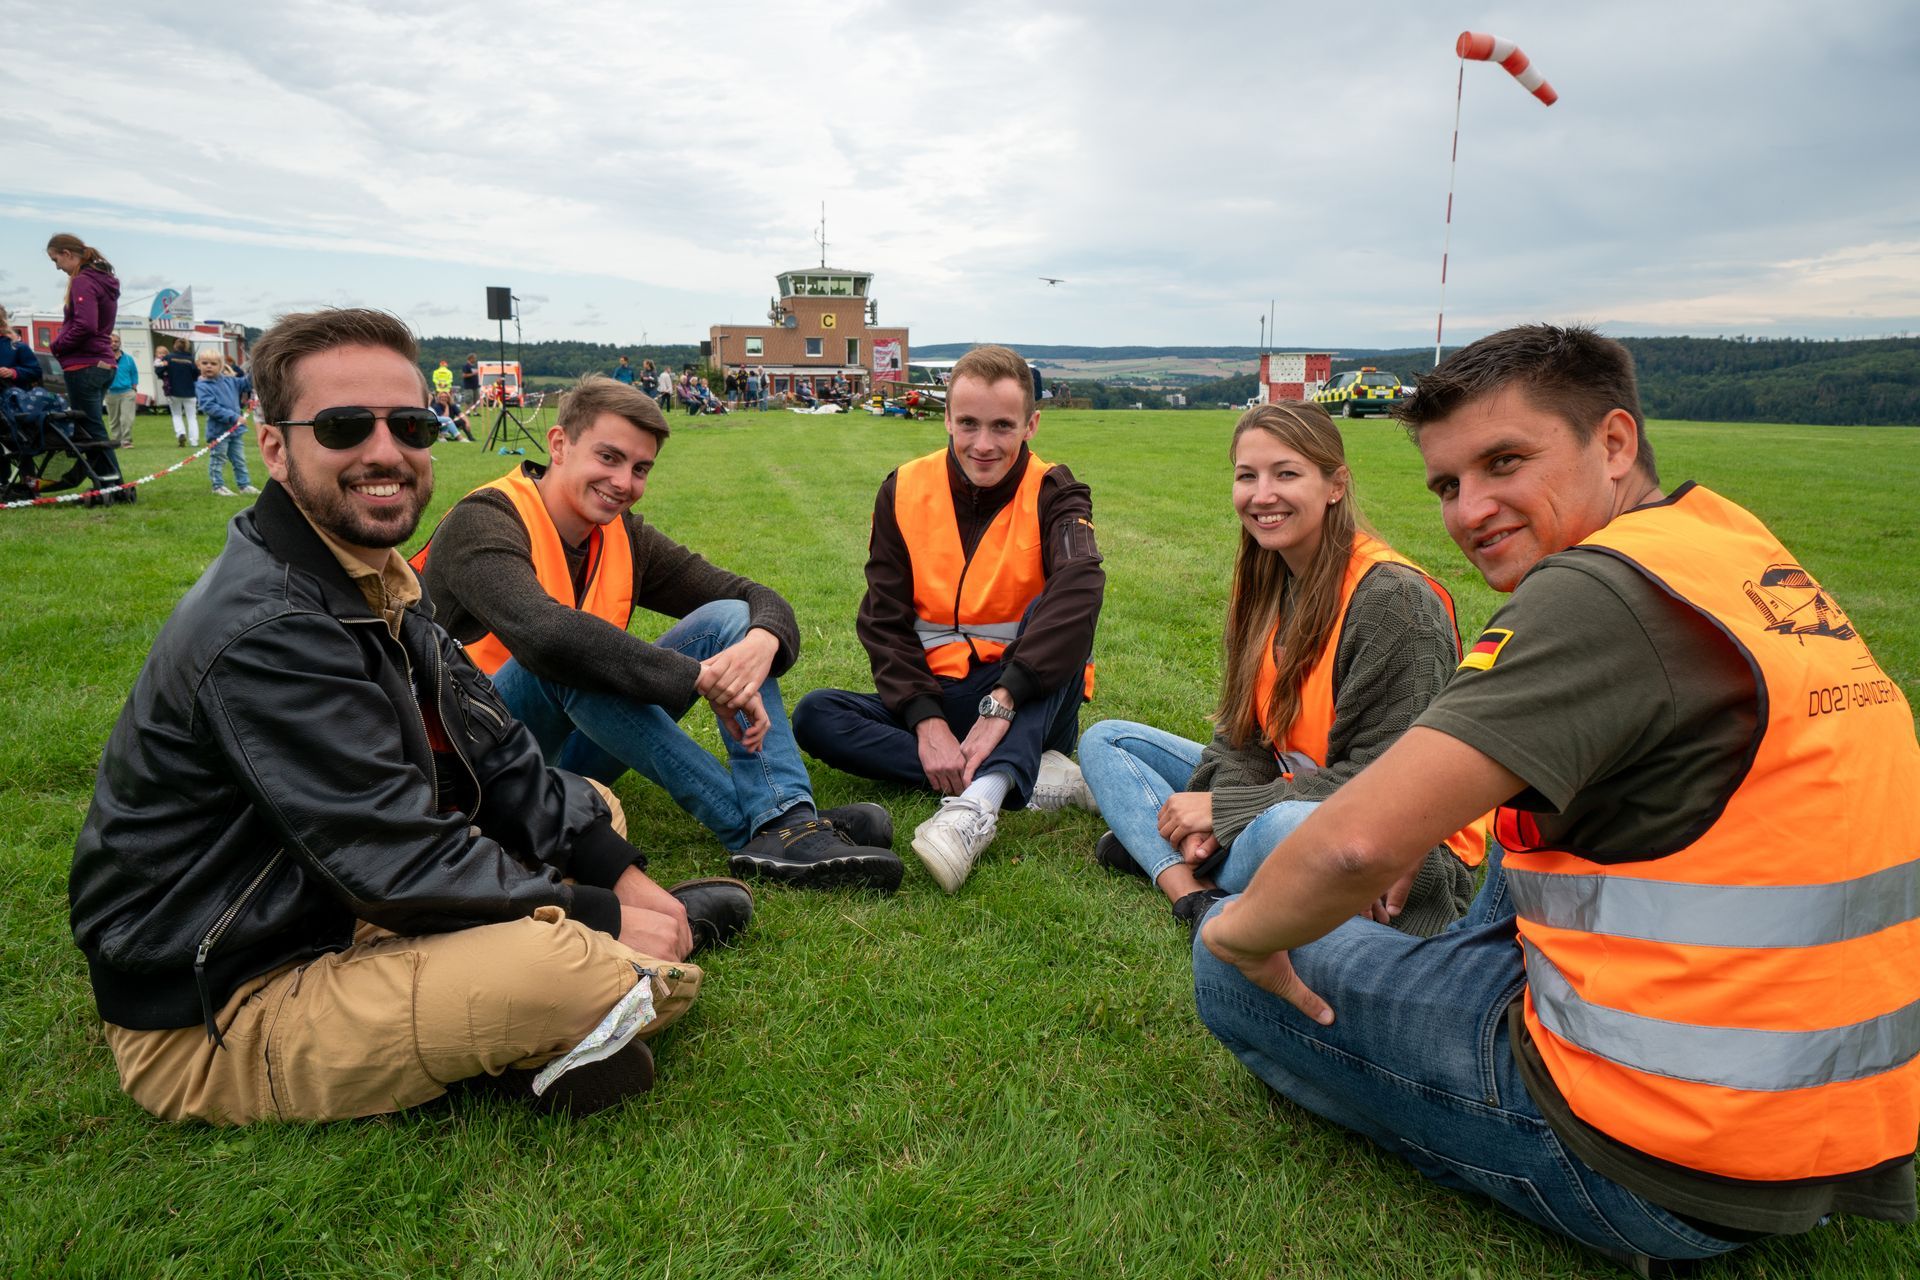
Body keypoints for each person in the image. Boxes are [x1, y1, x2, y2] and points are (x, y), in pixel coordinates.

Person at [1193, 324, 1920, 1269]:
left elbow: (1349, 848)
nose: (1471, 510)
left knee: (1225, 970)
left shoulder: (1591, 595)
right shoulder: (1726, 548)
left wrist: (1238, 934)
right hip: (1843, 1124)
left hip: (1664, 1158)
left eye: (1505, 462)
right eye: (1449, 484)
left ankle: (1465, 1130)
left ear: (1614, 443)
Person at [69, 307, 749, 1125]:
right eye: (345, 426)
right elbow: (391, 858)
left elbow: (494, 747)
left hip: (322, 902)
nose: (386, 451)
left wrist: (621, 872)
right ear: (276, 446)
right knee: (573, 971)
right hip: (225, 998)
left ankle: (557, 994)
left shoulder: (371, 573)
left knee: (590, 811)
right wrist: (605, 916)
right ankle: (575, 1005)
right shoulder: (267, 627)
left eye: (411, 424)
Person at [415, 374, 903, 892]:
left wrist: (763, 640)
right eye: (609, 458)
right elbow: (548, 636)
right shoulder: (485, 520)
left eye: (640, 468)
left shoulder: (623, 534)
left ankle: (785, 814)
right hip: (467, 765)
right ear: (559, 444)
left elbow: (752, 597)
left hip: (555, 756)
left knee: (731, 620)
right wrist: (698, 677)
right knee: (569, 658)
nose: (624, 482)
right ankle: (758, 829)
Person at [1079, 402, 1480, 934]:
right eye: (1247, 476)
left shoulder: (1393, 601)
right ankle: (1192, 891)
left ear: (1335, 485)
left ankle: (1168, 857)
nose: (1261, 495)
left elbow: (1384, 790)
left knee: (1291, 827)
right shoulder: (1267, 577)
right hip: (1286, 791)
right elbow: (1243, 739)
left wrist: (1225, 813)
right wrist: (1224, 810)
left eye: (1286, 473)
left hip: (1383, 840)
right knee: (1107, 742)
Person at [792, 345, 1105, 893]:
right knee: (816, 714)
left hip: (1027, 699)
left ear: (1031, 424)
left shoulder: (1055, 490)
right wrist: (924, 719)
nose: (983, 444)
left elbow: (1081, 588)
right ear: (946, 418)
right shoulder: (904, 489)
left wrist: (1003, 701)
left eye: (1002, 426)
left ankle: (977, 806)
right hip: (938, 697)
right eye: (968, 423)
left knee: (1058, 608)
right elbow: (883, 618)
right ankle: (1024, 777)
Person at [45, 232, 123, 489]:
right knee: (89, 427)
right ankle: (85, 478)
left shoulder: (82, 281)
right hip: (105, 363)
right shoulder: (105, 280)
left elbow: (86, 325)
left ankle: (111, 483)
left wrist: (57, 346)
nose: (57, 267)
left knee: (90, 429)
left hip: (84, 364)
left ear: (67, 254)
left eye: (56, 260)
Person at [195, 349, 258, 497]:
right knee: (218, 459)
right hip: (218, 432)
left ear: (221, 365)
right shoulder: (202, 386)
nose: (209, 366)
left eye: (213, 364)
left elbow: (247, 384)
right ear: (198, 365)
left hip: (235, 431)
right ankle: (218, 486)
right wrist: (234, 417)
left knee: (239, 459)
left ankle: (244, 485)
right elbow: (210, 407)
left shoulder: (230, 381)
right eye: (205, 363)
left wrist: (255, 368)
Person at [155, 341, 201, 446]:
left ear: (175, 346)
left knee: (176, 415)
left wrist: (165, 376)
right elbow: (196, 374)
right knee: (191, 417)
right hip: (190, 392)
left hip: (173, 391)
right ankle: (194, 441)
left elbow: (159, 371)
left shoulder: (169, 358)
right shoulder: (190, 359)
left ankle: (180, 433)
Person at [105, 332, 140, 447]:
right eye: (111, 342)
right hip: (111, 392)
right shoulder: (104, 358)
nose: (113, 344)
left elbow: (134, 373)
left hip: (127, 392)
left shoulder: (128, 359)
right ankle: (116, 440)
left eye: (116, 341)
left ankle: (126, 440)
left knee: (127, 419)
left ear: (120, 343)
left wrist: (134, 386)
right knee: (113, 420)